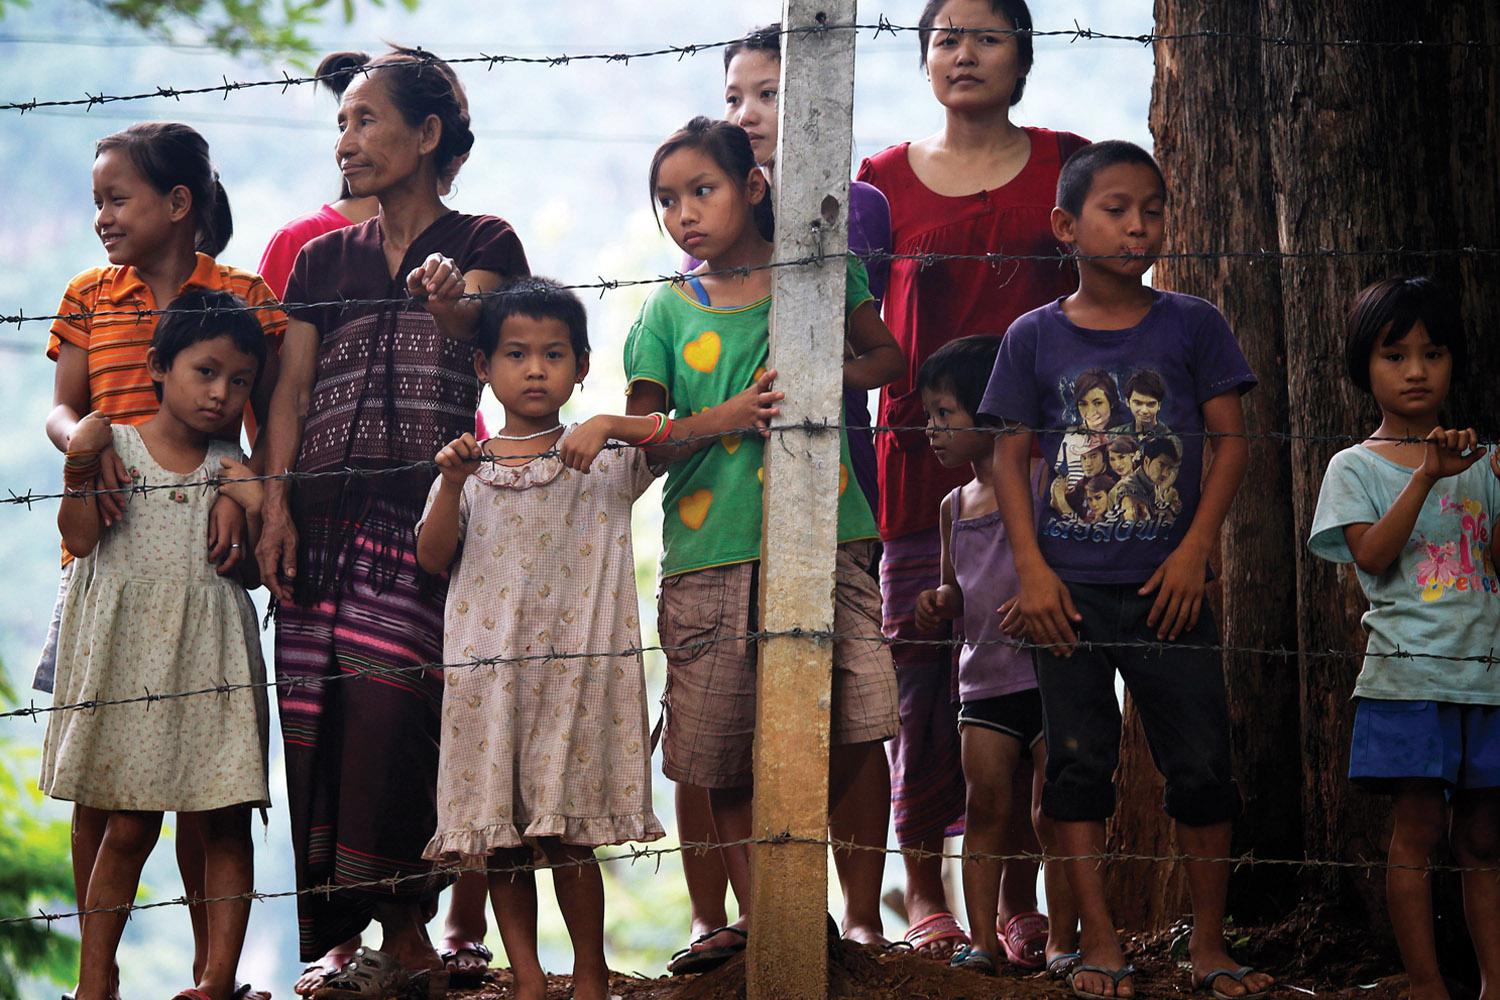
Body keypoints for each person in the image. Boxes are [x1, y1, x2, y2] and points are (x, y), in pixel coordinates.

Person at [252, 46, 530, 996]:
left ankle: (409, 923)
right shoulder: (321, 259)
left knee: (400, 714)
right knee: (317, 723)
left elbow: (482, 338)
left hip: (424, 514)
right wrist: (277, 504)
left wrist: (450, 300)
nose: (347, 140)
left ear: (427, 136)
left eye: (366, 121)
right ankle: (343, 939)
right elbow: (289, 391)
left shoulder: (487, 240)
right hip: (322, 519)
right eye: (341, 124)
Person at [983, 140, 1273, 1000]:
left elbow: (1230, 441)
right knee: (1076, 766)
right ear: (1067, 226)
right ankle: (1101, 944)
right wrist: (1032, 574)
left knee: (1201, 766)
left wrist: (1194, 552)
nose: (1139, 224)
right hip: (1066, 596)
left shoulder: (1192, 322)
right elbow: (1008, 460)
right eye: (1116, 209)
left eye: (1152, 208)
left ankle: (1211, 946)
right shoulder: (1033, 337)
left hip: (1169, 592)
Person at [626, 117, 902, 972]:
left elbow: (886, 357)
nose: (684, 215)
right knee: (723, 744)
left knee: (860, 721)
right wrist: (725, 417)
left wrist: (826, 374)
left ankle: (859, 916)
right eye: (667, 201)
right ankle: (772, 918)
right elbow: (648, 440)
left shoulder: (824, 279)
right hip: (711, 555)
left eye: (701, 191)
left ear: (752, 188)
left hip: (832, 532)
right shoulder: (666, 312)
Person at [855, 0, 1087, 956]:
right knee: (918, 677)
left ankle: (1017, 901)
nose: (964, 53)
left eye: (987, 36)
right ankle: (922, 895)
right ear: (922, 57)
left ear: (1023, 56)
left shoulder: (1065, 163)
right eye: (945, 36)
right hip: (920, 468)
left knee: (1036, 684)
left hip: (1052, 476)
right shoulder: (878, 183)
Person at [41, 121, 283, 1000]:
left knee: (208, 800)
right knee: (108, 797)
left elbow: (259, 432)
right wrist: (88, 446)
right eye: (97, 200)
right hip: (113, 551)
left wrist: (241, 486)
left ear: (179, 204)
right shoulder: (88, 295)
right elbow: (64, 410)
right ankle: (92, 975)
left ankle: (208, 975)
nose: (103, 217)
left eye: (118, 198)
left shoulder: (243, 298)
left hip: (202, 580)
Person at [416, 277, 664, 1000]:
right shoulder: (469, 463)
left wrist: (615, 423)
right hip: (489, 681)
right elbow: (434, 556)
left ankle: (588, 977)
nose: (534, 369)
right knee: (502, 840)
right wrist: (450, 483)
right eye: (516, 354)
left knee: (570, 838)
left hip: (575, 684)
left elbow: (690, 432)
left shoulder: (605, 458)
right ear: (482, 368)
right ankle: (526, 978)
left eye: (553, 354)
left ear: (581, 366)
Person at [1309, 276, 1500, 1000]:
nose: (1417, 370)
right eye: (1395, 355)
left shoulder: (1487, 462)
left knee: (1485, 838)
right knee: (1417, 830)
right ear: (1365, 368)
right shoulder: (1354, 467)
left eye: (1434, 353)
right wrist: (1425, 475)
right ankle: (1425, 983)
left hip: (1488, 677)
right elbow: (1372, 555)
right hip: (1408, 679)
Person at [913, 335, 1078, 976]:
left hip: (1047, 674)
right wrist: (938, 600)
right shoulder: (954, 506)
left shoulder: (1042, 481)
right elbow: (958, 585)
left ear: (989, 412)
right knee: (984, 808)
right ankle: (982, 942)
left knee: (1052, 812)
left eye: (944, 414)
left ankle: (1062, 939)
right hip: (982, 682)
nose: (931, 429)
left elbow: (1065, 566)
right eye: (928, 415)